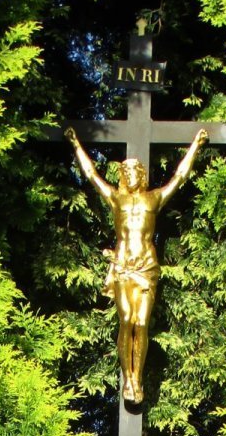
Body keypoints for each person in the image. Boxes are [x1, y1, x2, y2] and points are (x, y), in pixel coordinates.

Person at [66, 127, 208, 405]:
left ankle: (137, 379)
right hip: (122, 265)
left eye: (133, 171)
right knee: (127, 320)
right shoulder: (116, 198)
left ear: (141, 175)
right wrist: (75, 144)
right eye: (125, 172)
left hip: (146, 266)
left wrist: (196, 144)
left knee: (141, 322)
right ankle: (127, 378)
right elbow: (92, 175)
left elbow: (179, 176)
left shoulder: (154, 198)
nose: (129, 175)